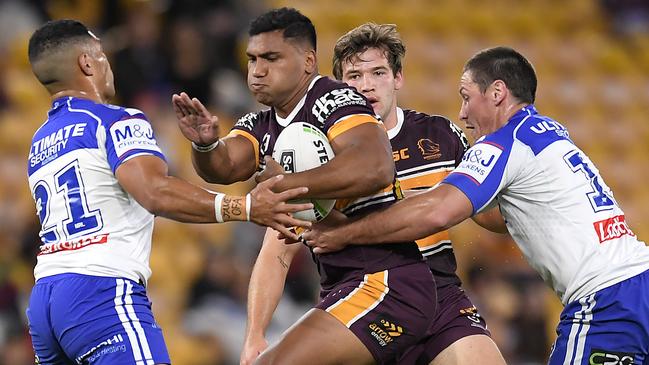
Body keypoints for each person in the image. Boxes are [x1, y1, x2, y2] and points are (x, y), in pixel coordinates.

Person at [304, 46, 649, 364]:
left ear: (497, 93)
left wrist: (348, 232)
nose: (463, 113)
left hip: (608, 302)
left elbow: (437, 211)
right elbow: (496, 217)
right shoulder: (550, 132)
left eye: (467, 98)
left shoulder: (504, 142)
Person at [25, 19, 313, 365]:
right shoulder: (114, 120)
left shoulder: (40, 141)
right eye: (101, 55)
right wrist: (247, 206)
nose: (107, 64)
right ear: (86, 63)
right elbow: (155, 192)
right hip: (99, 292)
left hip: (45, 302)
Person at [173, 8, 438, 365]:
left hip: (390, 283)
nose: (257, 70)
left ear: (308, 61)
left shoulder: (336, 100)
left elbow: (376, 166)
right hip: (342, 288)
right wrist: (206, 145)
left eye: (271, 58)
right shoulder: (261, 123)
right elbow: (224, 166)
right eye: (252, 59)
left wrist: (286, 183)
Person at [241, 22, 506, 365]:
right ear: (338, 88)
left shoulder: (440, 135)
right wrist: (255, 333)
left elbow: (486, 214)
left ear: (398, 78)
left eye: (378, 72)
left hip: (443, 302)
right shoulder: (317, 149)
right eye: (353, 76)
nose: (366, 86)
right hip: (359, 296)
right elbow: (277, 249)